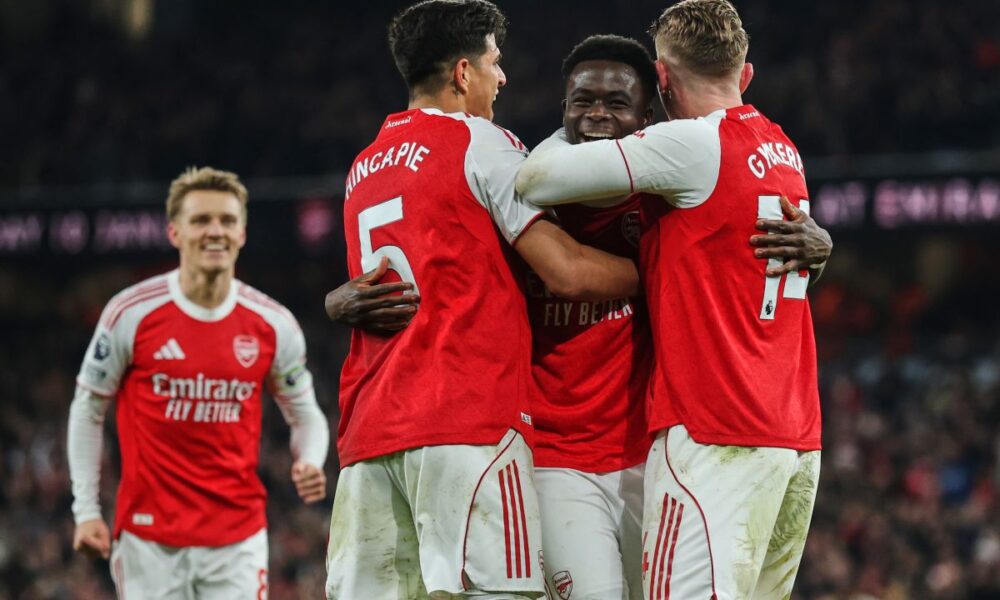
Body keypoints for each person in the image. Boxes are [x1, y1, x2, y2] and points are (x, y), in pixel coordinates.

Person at [325, 2, 640, 599]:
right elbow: (567, 271)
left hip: (370, 434)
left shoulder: (363, 166)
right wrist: (660, 274)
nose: (504, 79)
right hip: (465, 425)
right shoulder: (481, 142)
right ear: (463, 73)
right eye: (496, 64)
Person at [516, 1, 831, 598]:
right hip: (794, 436)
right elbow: (760, 268)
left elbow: (535, 180)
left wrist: (565, 129)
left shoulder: (686, 146)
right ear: (745, 76)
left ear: (660, 81)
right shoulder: (783, 148)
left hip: (717, 433)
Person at [68, 166, 329, 599]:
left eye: (227, 221)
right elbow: (87, 409)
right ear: (174, 232)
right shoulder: (130, 313)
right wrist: (86, 511)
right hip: (148, 541)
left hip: (237, 540)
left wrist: (310, 460)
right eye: (200, 220)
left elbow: (306, 416)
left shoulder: (273, 323)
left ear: (242, 233)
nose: (215, 231)